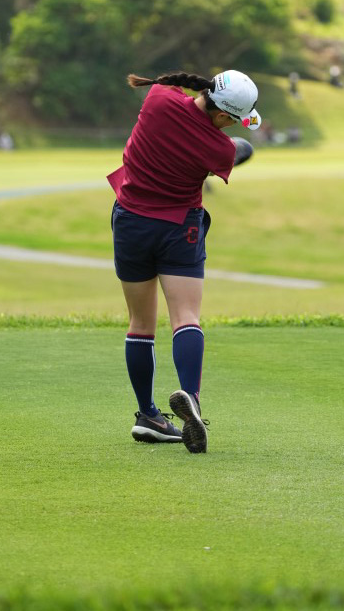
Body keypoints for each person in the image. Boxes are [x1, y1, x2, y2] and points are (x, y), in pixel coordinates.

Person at [107, 69, 261, 454]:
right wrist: (239, 143)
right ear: (225, 118)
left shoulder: (157, 98)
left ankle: (147, 417)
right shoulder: (219, 149)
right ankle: (191, 395)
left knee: (140, 323)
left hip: (130, 222)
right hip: (179, 229)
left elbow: (178, 95)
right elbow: (241, 150)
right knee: (186, 317)